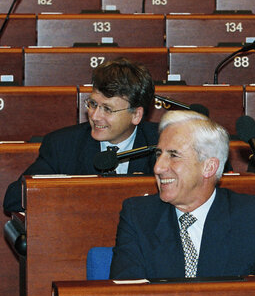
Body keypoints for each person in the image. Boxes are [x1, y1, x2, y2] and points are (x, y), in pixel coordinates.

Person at [110, 110, 255, 279]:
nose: (158, 167)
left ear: (209, 167)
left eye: (173, 155)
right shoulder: (138, 215)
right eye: (159, 154)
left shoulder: (252, 215)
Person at [4, 58, 157, 213]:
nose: (95, 116)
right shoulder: (63, 145)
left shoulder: (161, 143)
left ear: (136, 115)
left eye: (107, 109)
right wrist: (78, 192)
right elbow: (14, 199)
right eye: (93, 104)